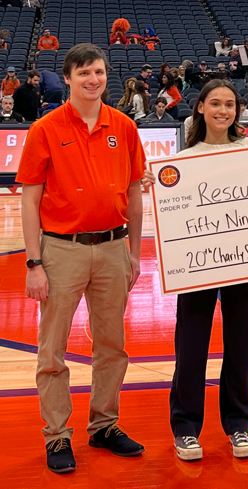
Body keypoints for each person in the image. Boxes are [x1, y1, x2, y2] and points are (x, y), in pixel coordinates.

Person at [16, 42, 146, 475]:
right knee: (52, 350)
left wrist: (134, 251)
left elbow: (133, 192)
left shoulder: (124, 126)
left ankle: (104, 425)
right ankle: (56, 435)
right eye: (84, 73)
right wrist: (34, 263)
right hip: (61, 250)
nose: (93, 80)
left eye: (100, 72)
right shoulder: (45, 128)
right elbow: (30, 201)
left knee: (112, 345)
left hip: (112, 248)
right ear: (68, 79)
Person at [163, 79, 248, 462]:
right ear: (200, 107)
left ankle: (239, 424)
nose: (223, 111)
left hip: (246, 260)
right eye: (216, 103)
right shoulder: (184, 158)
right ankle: (186, 427)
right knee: (190, 347)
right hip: (197, 264)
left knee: (242, 344)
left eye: (230, 105)